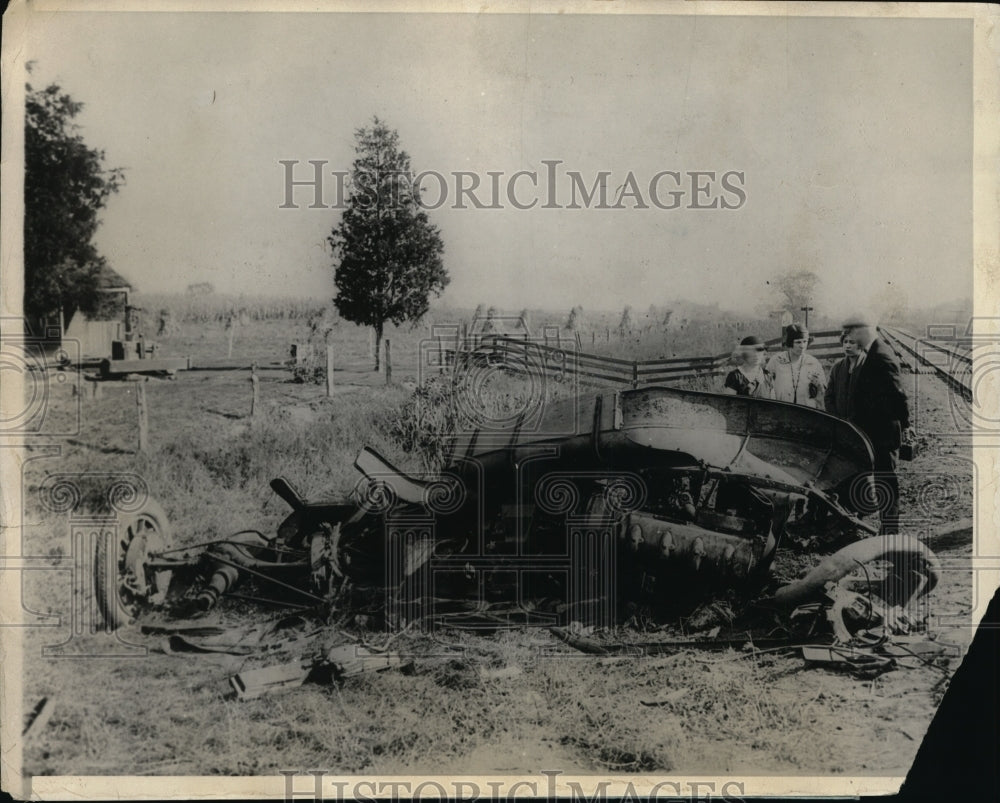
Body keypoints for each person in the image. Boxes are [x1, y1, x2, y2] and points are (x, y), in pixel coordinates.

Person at [841, 314, 910, 534]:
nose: (849, 337)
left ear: (863, 330)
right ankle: (887, 528)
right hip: (875, 433)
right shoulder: (874, 352)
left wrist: (905, 426)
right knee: (882, 481)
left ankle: (890, 531)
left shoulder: (881, 355)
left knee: (887, 482)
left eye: (851, 332)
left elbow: (899, 395)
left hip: (883, 434)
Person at [765, 324, 826, 408]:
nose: (802, 346)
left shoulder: (814, 363)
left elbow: (823, 391)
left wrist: (818, 385)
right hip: (783, 410)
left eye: (805, 341)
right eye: (798, 342)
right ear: (790, 342)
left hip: (807, 411)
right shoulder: (776, 360)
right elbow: (766, 386)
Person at [824, 332, 859, 417]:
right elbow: (828, 397)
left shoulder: (867, 365)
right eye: (845, 342)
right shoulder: (837, 367)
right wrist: (837, 418)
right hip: (841, 421)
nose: (847, 346)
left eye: (852, 342)